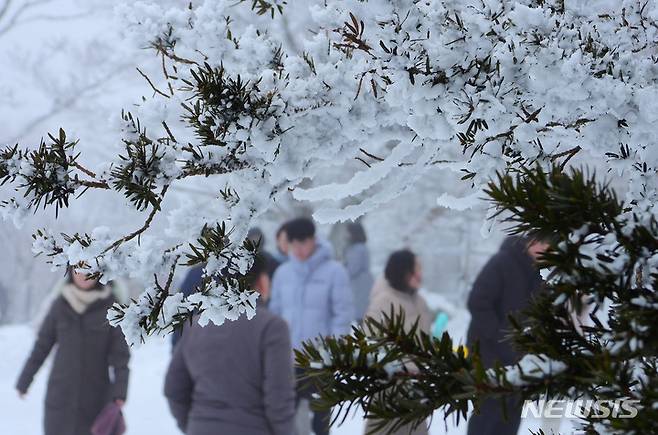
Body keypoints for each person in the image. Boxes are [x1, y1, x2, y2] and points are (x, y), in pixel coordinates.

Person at [164, 256, 296, 435]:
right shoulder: (271, 327)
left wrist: (194, 424)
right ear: (262, 281)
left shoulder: (196, 325)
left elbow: (174, 388)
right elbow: (278, 399)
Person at [16, 267, 130, 435]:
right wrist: (24, 380)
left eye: (89, 270)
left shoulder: (111, 307)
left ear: (100, 273)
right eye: (78, 270)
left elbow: (120, 356)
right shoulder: (60, 304)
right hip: (59, 397)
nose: (83, 276)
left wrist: (120, 391)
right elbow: (42, 346)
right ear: (70, 272)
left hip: (96, 399)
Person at [269, 217, 354, 435]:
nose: (297, 249)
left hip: (320, 359)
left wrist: (334, 350)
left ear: (313, 240)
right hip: (289, 358)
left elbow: (342, 315)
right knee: (284, 417)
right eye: (293, 243)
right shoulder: (283, 274)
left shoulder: (334, 272)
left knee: (321, 421)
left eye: (302, 242)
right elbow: (275, 314)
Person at [466, 236, 550, 435]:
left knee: (510, 420)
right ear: (529, 241)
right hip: (488, 357)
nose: (547, 248)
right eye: (543, 242)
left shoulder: (543, 273)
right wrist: (501, 336)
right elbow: (478, 302)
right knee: (486, 417)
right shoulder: (502, 262)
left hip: (519, 364)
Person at [364, 249, 432, 435]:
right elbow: (370, 343)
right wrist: (402, 367)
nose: (420, 274)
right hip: (387, 391)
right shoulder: (383, 303)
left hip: (416, 390)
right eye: (416, 268)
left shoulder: (421, 303)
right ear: (403, 271)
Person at [344, 221, 374, 322]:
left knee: (361, 316)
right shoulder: (361, 247)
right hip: (363, 284)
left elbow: (353, 269)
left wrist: (342, 269)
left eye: (348, 232)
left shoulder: (357, 249)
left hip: (360, 286)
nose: (346, 235)